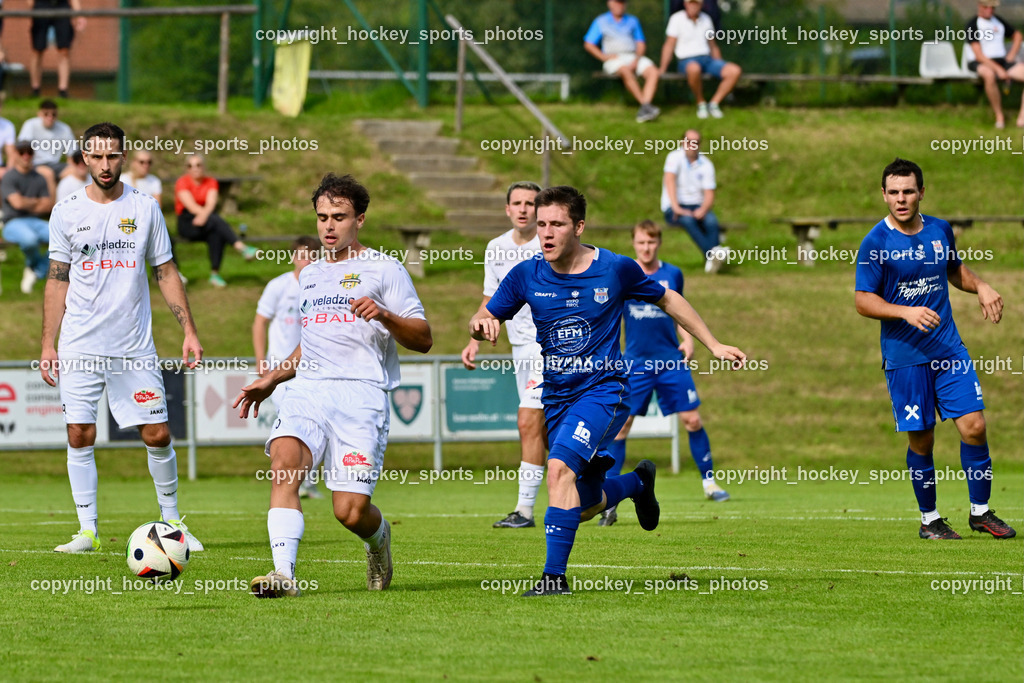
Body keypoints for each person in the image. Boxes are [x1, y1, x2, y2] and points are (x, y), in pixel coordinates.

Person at [470, 185, 745, 596]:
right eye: (542, 224)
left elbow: (669, 299)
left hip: (604, 390)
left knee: (558, 471)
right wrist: (482, 324)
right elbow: (483, 315)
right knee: (580, 504)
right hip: (557, 397)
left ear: (579, 226)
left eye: (557, 224)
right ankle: (636, 483)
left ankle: (553, 580)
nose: (546, 233)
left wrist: (714, 344)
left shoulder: (614, 269)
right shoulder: (527, 274)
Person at [234, 174, 432, 597]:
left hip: (361, 394)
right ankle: (283, 575)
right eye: (322, 216)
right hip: (309, 391)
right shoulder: (309, 275)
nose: (329, 225)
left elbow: (423, 338)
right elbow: (311, 342)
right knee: (284, 465)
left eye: (339, 217)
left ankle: (379, 541)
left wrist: (384, 314)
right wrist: (273, 377)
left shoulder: (385, 268)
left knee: (350, 511)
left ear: (359, 220)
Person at [40, 121, 204, 554]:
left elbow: (165, 271)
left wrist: (188, 330)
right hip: (79, 343)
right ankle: (87, 531)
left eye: (112, 155)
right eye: (96, 156)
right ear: (84, 158)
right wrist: (48, 344)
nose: (105, 164)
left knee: (158, 434)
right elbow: (57, 279)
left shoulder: (146, 207)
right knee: (80, 433)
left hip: (133, 345)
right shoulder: (66, 211)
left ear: (124, 157)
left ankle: (173, 523)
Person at [854, 158, 1015, 540]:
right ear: (883, 195)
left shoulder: (940, 230)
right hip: (906, 358)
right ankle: (930, 519)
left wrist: (982, 286)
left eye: (908, 191)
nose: (901, 199)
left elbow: (954, 269)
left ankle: (980, 512)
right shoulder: (876, 243)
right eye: (894, 192)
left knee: (975, 427)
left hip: (948, 350)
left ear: (921, 193)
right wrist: (904, 312)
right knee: (922, 439)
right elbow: (862, 300)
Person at [599, 220, 729, 526]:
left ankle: (709, 483)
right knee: (621, 426)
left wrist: (688, 339)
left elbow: (678, 310)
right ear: (633, 243)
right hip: (636, 363)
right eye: (641, 242)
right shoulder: (624, 273)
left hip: (670, 361)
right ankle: (609, 501)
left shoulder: (673, 274)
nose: (646, 247)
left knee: (692, 420)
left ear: (658, 243)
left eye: (651, 242)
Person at [461, 181, 548, 528]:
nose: (524, 209)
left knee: (528, 421)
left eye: (531, 203)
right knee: (546, 431)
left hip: (551, 348)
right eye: (518, 203)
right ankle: (604, 489)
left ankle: (524, 510)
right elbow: (490, 300)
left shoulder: (549, 244)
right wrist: (475, 340)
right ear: (507, 209)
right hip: (520, 349)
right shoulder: (496, 248)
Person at [252, 234, 323, 500]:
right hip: (280, 370)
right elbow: (260, 322)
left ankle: (307, 481)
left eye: (312, 257)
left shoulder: (322, 286)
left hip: (313, 368)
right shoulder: (278, 286)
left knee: (314, 422)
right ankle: (295, 481)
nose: (306, 261)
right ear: (294, 257)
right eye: (302, 256)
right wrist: (261, 359)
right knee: (292, 421)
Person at [174, 154, 257, 288]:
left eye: (198, 165)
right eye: (190, 166)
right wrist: (204, 215)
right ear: (186, 168)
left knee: (217, 233)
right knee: (215, 220)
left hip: (206, 222)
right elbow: (190, 206)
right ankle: (240, 247)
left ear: (204, 166)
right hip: (188, 222)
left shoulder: (211, 182)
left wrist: (203, 216)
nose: (195, 168)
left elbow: (211, 203)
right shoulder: (182, 182)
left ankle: (215, 274)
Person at [660, 0, 742, 119]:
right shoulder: (676, 19)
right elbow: (669, 45)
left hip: (707, 60)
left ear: (701, 5)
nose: (693, 6)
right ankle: (701, 103)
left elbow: (713, 46)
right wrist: (663, 68)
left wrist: (719, 63)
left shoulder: (707, 19)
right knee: (694, 68)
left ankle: (714, 104)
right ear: (685, 4)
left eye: (696, 3)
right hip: (686, 60)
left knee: (734, 71)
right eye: (691, 3)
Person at [584, 0, 661, 122]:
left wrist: (637, 59)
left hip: (633, 56)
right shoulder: (601, 21)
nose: (619, 5)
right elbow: (588, 44)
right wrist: (603, 57)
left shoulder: (633, 21)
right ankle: (645, 106)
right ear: (610, 3)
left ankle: (645, 108)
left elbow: (641, 44)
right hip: (613, 59)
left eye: (622, 2)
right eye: (617, 2)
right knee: (625, 70)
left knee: (654, 72)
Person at [662, 129, 727, 272]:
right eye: (689, 141)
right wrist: (677, 208)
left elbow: (709, 193)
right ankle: (714, 255)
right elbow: (669, 182)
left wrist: (703, 209)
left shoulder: (706, 164)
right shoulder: (673, 157)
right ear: (682, 142)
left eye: (696, 142)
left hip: (697, 206)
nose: (692, 145)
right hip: (673, 207)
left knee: (711, 221)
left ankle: (712, 260)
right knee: (688, 220)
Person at [2, 140, 53, 293]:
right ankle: (35, 267)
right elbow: (17, 204)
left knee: (62, 237)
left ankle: (36, 270)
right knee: (30, 240)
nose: (26, 156)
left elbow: (47, 205)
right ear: (15, 155)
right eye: (22, 152)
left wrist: (25, 201)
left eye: (29, 152)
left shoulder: (39, 177)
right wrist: (36, 201)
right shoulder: (9, 177)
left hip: (35, 220)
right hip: (12, 222)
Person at [965, 0, 1024, 129]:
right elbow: (978, 55)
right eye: (986, 7)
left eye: (992, 7)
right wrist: (998, 69)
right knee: (989, 74)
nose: (990, 10)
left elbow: (1018, 35)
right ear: (980, 6)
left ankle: (1022, 118)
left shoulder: (998, 21)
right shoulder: (972, 25)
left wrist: (1011, 56)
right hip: (980, 62)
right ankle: (999, 116)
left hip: (1002, 61)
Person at [29, 0, 85, 99]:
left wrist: (79, 14)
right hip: (41, 5)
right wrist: (33, 7)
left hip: (62, 5)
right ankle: (35, 89)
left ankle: (63, 90)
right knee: (37, 49)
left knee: (64, 50)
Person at [18, 99, 74, 197]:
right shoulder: (30, 125)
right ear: (39, 114)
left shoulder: (64, 128)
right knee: (48, 174)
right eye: (46, 114)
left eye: (53, 114)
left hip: (56, 165)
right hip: (35, 164)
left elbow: (72, 155)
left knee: (76, 171)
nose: (50, 117)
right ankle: (53, 204)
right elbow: (22, 149)